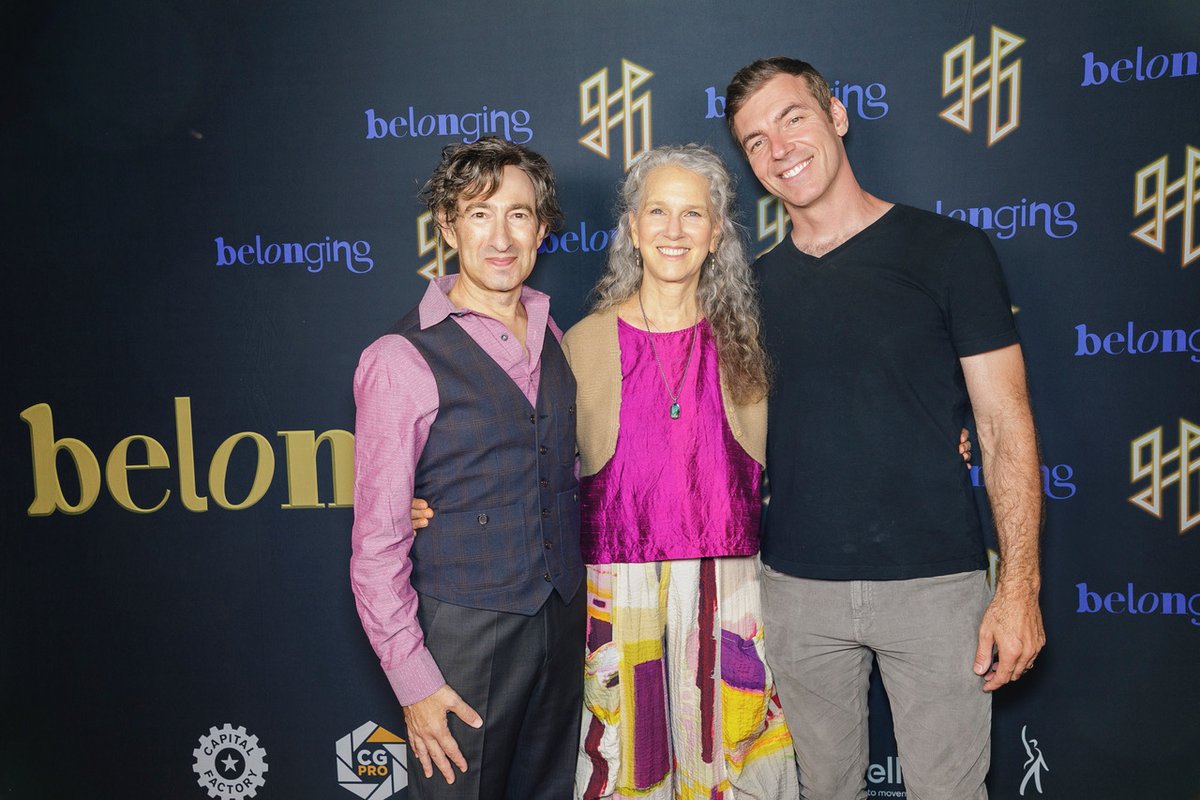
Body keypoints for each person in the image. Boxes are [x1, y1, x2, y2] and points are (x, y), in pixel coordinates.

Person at [724, 57, 1045, 800]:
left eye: (793, 117)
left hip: (938, 588)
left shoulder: (949, 252)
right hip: (796, 592)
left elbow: (1003, 423)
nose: (780, 148)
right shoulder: (752, 288)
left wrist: (1019, 589)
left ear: (836, 117)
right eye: (756, 140)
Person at [350, 136, 585, 800]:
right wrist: (415, 682)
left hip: (562, 624)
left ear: (541, 227)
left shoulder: (558, 335)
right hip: (465, 636)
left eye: (518, 213)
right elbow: (376, 542)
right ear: (448, 227)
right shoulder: (400, 359)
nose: (501, 235)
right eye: (479, 214)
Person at [563, 144, 797, 799]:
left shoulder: (747, 347)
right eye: (656, 212)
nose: (673, 230)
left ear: (716, 232)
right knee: (627, 767)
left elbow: (823, 440)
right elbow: (536, 474)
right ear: (632, 228)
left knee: (735, 761)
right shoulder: (583, 343)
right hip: (620, 598)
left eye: (692, 214)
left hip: (730, 597)